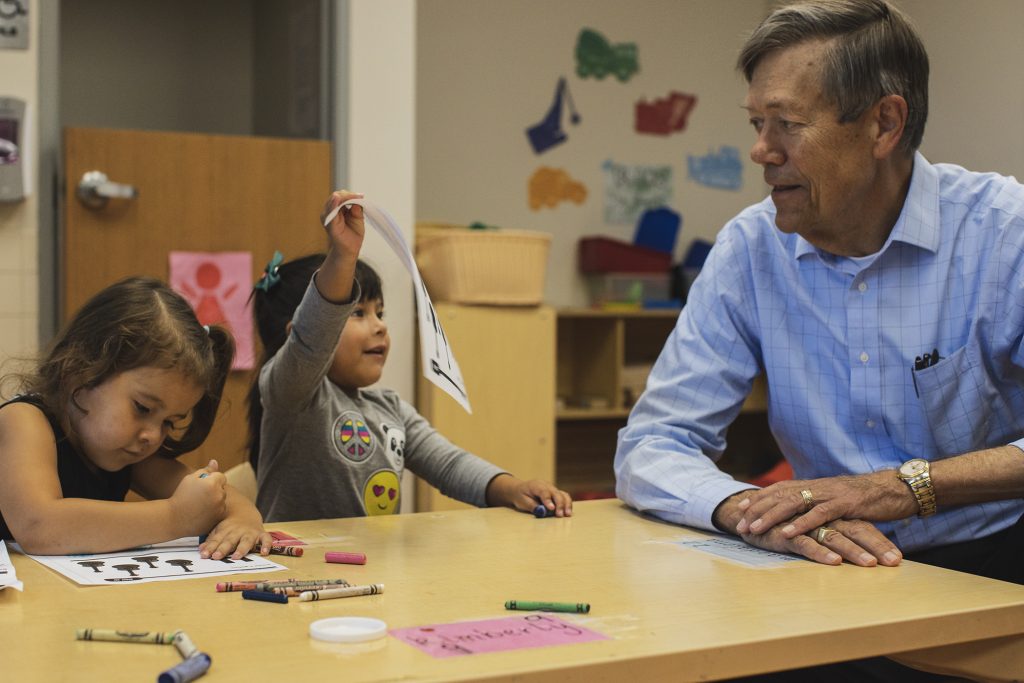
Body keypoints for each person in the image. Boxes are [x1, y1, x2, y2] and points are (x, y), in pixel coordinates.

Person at [617, 0, 1024, 581]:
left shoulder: (1005, 232)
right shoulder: (751, 248)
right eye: (757, 124)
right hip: (827, 561)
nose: (762, 150)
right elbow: (654, 442)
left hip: (996, 556)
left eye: (787, 124)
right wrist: (745, 511)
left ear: (884, 123)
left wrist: (899, 490)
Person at [248, 190, 573, 522]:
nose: (380, 327)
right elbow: (313, 338)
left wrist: (512, 488)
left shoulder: (390, 409)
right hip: (301, 570)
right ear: (296, 335)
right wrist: (343, 257)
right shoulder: (290, 396)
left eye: (381, 313)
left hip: (372, 567)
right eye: (358, 313)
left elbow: (449, 464)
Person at [0, 277, 272, 559]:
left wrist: (243, 519)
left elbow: (218, 495)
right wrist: (175, 516)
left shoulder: (126, 450)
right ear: (80, 370)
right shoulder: (23, 421)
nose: (154, 436)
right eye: (142, 408)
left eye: (169, 422)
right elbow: (39, 526)